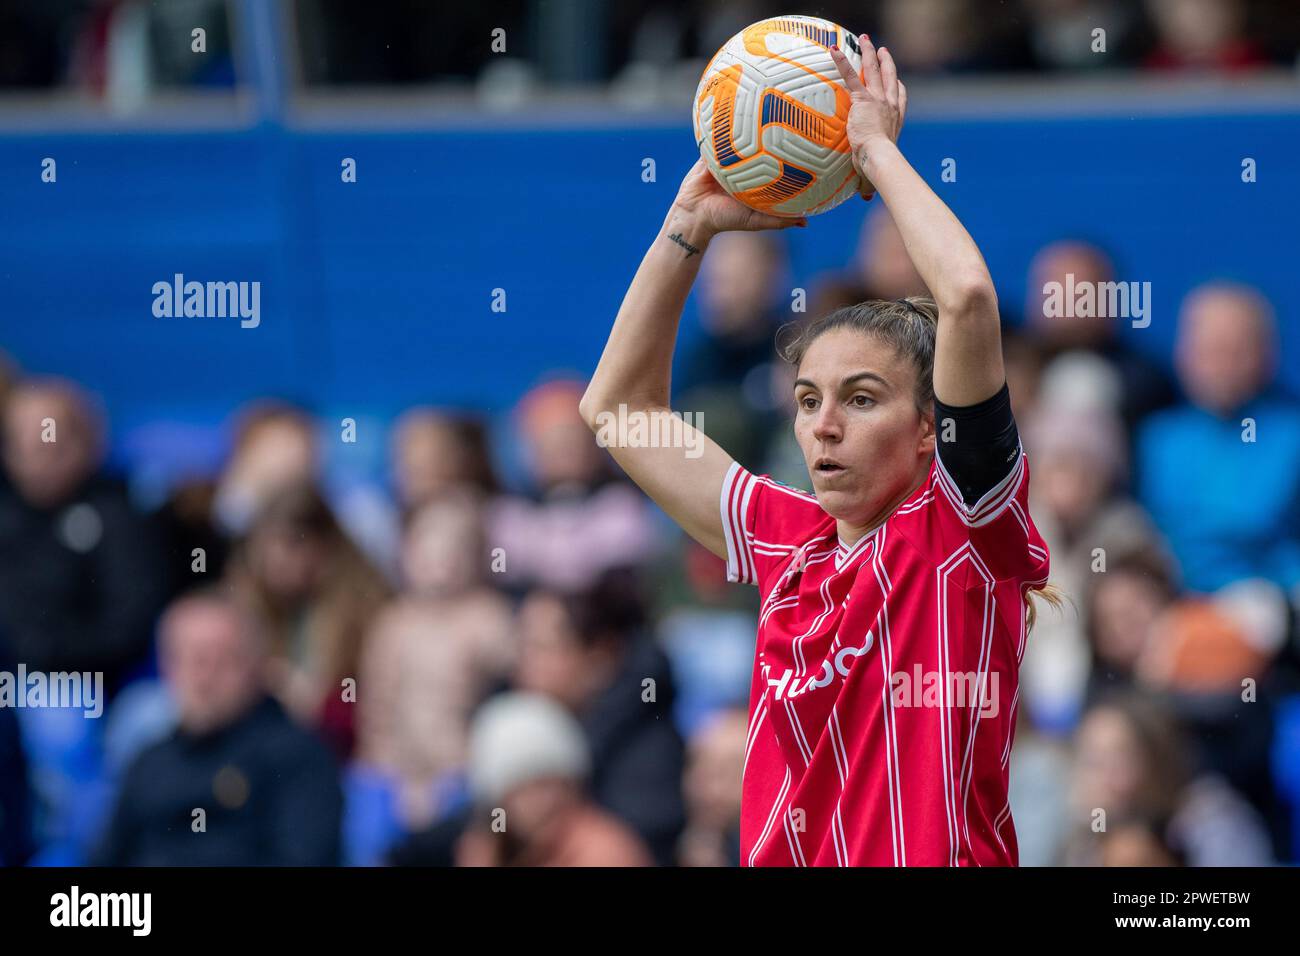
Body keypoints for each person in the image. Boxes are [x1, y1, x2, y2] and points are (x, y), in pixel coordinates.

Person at [580, 37, 1055, 866]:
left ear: (926, 431)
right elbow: (616, 410)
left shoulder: (958, 532)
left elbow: (968, 297)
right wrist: (686, 228)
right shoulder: (784, 540)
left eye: (860, 399)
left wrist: (873, 151)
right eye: (807, 401)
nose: (822, 425)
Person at [92, 588, 343, 866]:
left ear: (256, 665)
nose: (204, 680)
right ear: (166, 667)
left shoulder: (298, 757)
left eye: (222, 661)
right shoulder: (148, 762)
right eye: (192, 661)